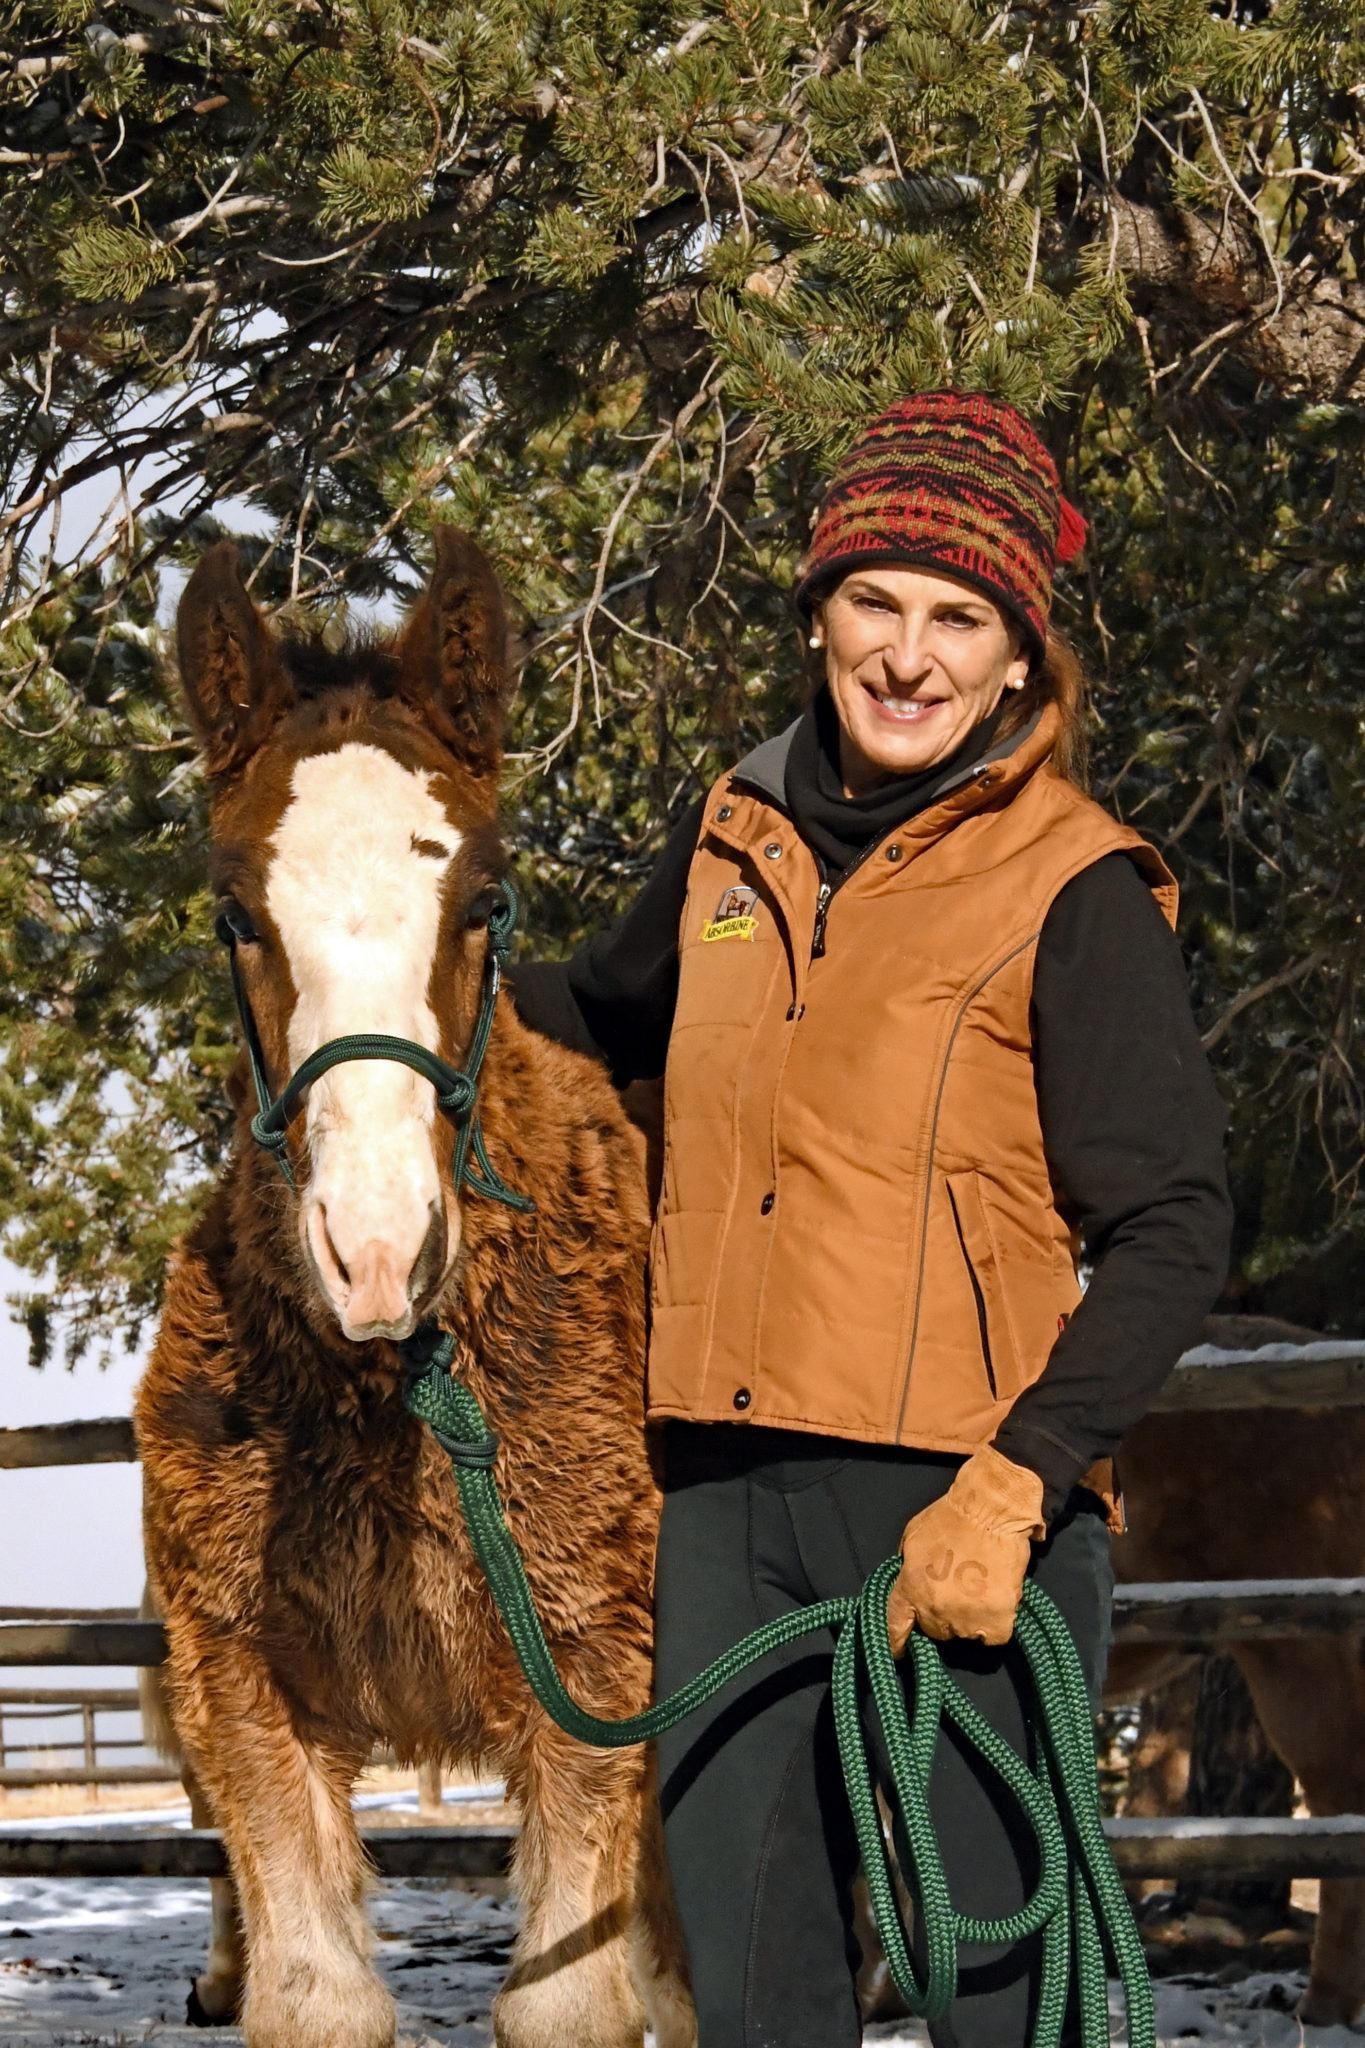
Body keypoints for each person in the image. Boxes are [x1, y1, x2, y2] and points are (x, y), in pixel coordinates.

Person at [509, 391, 1232, 2048]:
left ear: (1017, 659)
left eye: (958, 618)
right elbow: (589, 1020)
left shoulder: (1072, 884)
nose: (909, 657)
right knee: (755, 1987)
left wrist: (1015, 1485)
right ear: (819, 614)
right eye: (877, 603)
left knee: (996, 1999)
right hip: (719, 1495)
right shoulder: (726, 845)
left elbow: (1176, 1222)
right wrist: (387, 970)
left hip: (955, 1508)